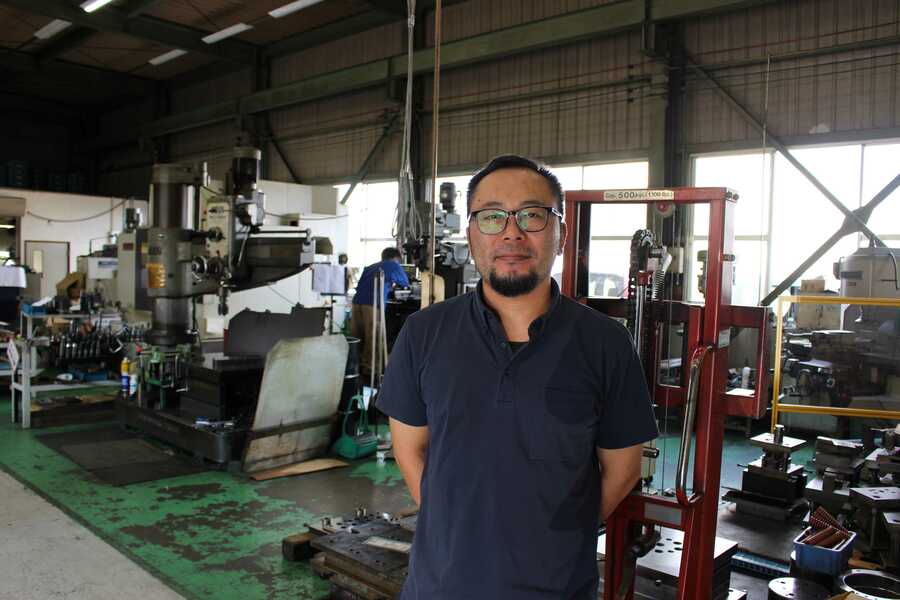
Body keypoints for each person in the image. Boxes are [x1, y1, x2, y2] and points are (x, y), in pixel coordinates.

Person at [377, 155, 659, 599]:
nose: (512, 232)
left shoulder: (605, 343)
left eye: (532, 215)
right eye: (492, 217)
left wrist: (557, 535)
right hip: (440, 586)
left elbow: (623, 468)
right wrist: (453, 528)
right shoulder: (424, 333)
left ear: (562, 234)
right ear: (471, 234)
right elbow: (411, 450)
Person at [350, 247, 410, 377]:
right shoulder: (393, 265)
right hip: (372, 304)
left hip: (356, 303)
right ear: (396, 258)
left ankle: (353, 368)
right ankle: (370, 371)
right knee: (373, 338)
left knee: (357, 337)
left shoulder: (370, 267)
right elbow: (405, 282)